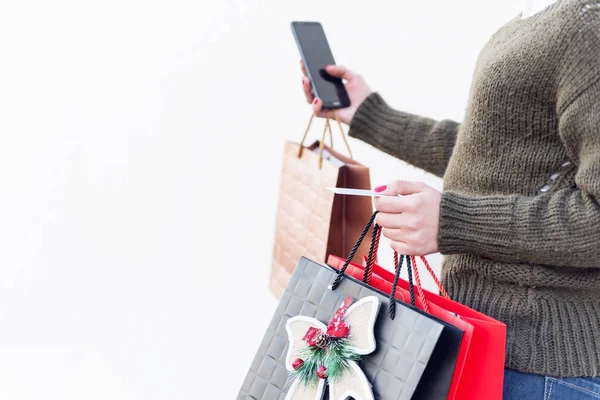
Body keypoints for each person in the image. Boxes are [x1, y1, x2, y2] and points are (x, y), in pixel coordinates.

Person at [299, 0, 600, 398]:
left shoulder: (586, 27)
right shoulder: (532, 20)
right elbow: (486, 157)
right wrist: (368, 114)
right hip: (483, 344)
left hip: (538, 366)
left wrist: (453, 221)